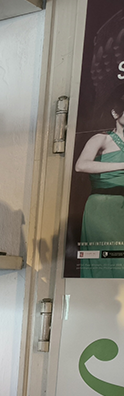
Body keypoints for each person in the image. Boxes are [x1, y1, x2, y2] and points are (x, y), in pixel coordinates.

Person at [73, 96, 124, 278]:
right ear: (115, 113)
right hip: (103, 206)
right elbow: (81, 165)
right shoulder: (102, 139)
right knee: (109, 261)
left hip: (121, 207)